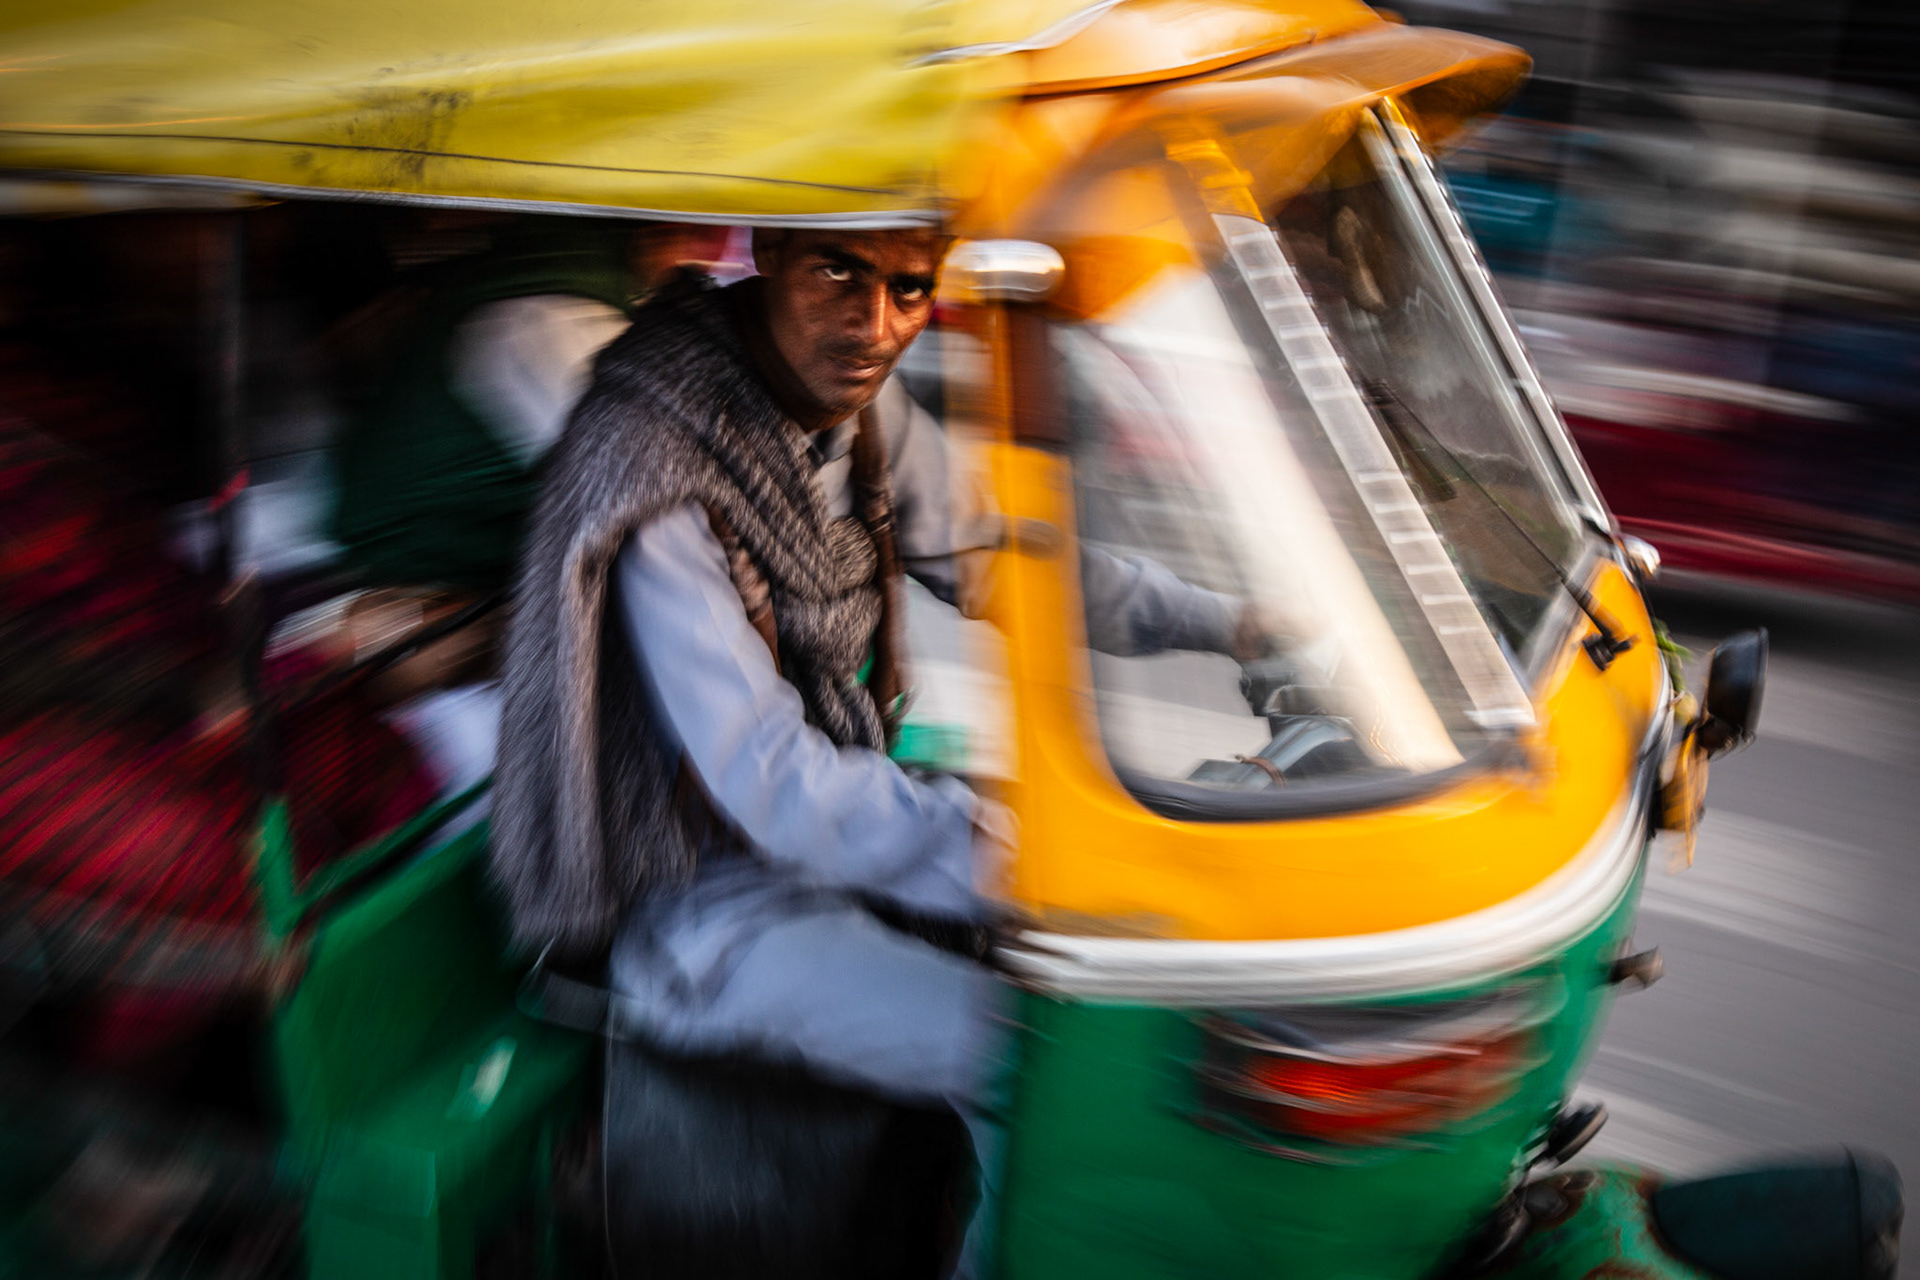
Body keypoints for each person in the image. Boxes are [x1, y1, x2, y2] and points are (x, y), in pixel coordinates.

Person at [490, 227, 1260, 1274]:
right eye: (838, 272)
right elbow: (772, 783)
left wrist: (1236, 624)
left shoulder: (851, 411)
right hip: (698, 907)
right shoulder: (657, 455)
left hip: (827, 837)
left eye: (909, 288)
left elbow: (1010, 564)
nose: (876, 325)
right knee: (1040, 1072)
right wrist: (1038, 860)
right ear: (769, 253)